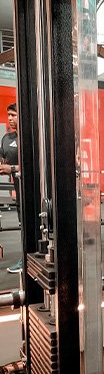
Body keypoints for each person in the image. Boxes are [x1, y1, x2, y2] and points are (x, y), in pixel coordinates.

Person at [0, 103, 22, 274]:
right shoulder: (6, 139)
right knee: (23, 224)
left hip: (35, 189)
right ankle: (26, 259)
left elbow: (35, 164)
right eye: (8, 115)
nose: (10, 118)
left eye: (13, 115)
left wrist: (12, 169)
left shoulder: (31, 137)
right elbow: (3, 161)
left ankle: (27, 260)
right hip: (18, 190)